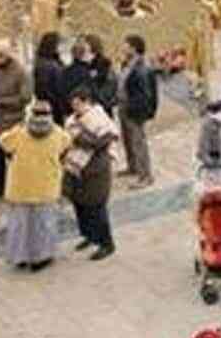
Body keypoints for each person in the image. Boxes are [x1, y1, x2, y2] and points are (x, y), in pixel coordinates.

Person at [0, 101, 71, 272]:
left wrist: (19, 126)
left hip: (20, 187)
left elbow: (3, 142)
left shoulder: (21, 132)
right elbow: (66, 145)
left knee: (19, 225)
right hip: (46, 186)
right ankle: (41, 257)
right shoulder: (58, 133)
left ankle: (19, 256)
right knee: (44, 224)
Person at [63, 87, 117, 261]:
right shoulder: (72, 120)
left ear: (86, 101)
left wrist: (80, 137)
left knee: (96, 206)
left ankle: (106, 243)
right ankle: (89, 235)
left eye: (78, 104)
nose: (75, 108)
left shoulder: (98, 117)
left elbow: (104, 141)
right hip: (77, 168)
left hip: (96, 169)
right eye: (73, 105)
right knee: (80, 204)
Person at [0, 41, 32, 200]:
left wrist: (1, 102)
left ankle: (21, 187)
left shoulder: (21, 72)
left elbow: (25, 97)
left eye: (0, 56)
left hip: (11, 122)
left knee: (15, 158)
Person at [118, 34, 157, 189]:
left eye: (126, 45)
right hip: (124, 106)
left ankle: (145, 175)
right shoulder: (127, 63)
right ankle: (132, 166)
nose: (123, 47)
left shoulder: (142, 68)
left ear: (133, 48)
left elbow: (144, 95)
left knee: (138, 142)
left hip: (133, 110)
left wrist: (133, 109)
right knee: (127, 139)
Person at [32, 31, 69, 126]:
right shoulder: (49, 65)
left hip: (51, 105)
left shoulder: (46, 61)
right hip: (54, 107)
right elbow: (52, 89)